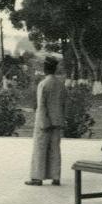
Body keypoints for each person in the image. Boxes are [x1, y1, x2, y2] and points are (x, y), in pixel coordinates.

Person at [25, 56, 67, 186]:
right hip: (57, 121)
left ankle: (37, 178)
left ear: (46, 69)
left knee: (40, 148)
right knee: (55, 149)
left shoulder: (43, 84)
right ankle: (56, 177)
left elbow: (41, 105)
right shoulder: (60, 84)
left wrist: (43, 123)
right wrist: (61, 119)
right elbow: (64, 104)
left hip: (45, 121)